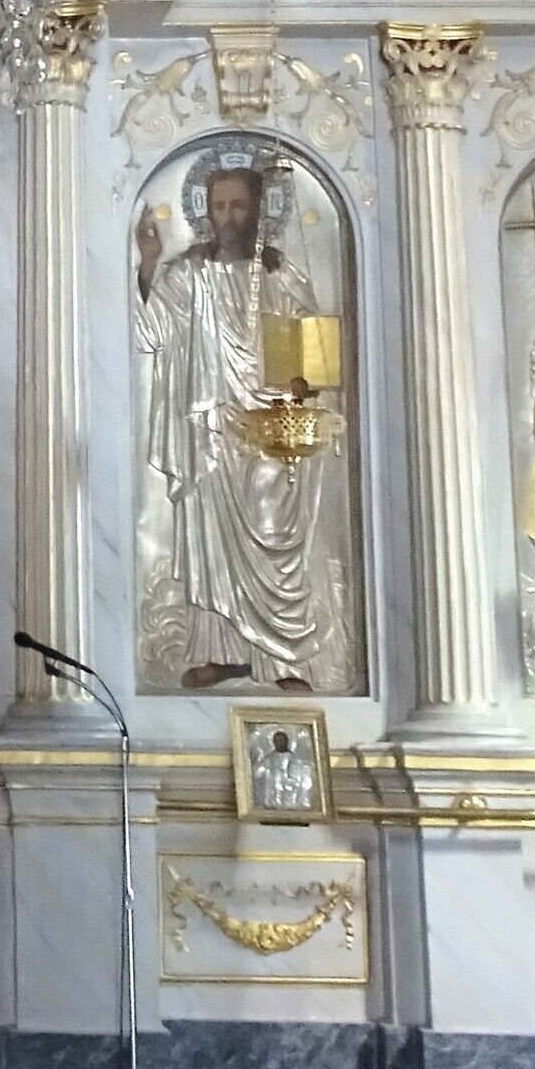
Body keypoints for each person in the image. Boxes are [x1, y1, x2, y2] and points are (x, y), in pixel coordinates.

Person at [135, 163, 349, 690]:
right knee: (212, 542)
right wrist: (148, 265)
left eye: (238, 206)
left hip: (270, 430)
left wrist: (304, 384)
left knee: (273, 535)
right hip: (212, 431)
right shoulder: (188, 276)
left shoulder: (281, 276)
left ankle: (284, 660)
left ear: (258, 211)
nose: (228, 218)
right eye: (219, 206)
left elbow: (315, 356)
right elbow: (149, 332)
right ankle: (221, 652)